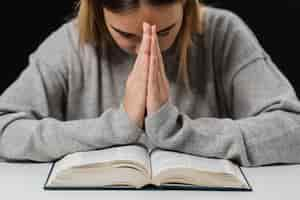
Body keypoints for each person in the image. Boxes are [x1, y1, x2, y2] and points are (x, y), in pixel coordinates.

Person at [0, 0, 299, 167]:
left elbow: (292, 128)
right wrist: (117, 126)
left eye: (165, 31)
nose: (146, 48)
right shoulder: (70, 43)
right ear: (98, 11)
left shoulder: (223, 33)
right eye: (126, 35)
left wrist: (178, 129)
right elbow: (5, 126)